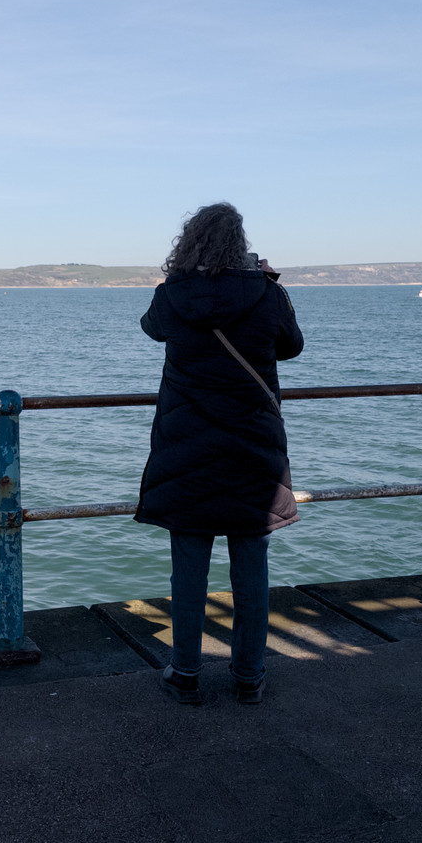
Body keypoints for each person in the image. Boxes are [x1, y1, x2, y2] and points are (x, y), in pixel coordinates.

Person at [134, 202, 304, 706]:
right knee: (251, 570)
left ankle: (185, 673)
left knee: (188, 570)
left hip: (185, 452)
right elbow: (291, 345)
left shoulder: (172, 295)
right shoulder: (266, 293)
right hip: (253, 450)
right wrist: (270, 283)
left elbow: (151, 328)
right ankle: (249, 676)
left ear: (189, 242)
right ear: (240, 244)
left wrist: (180, 279)